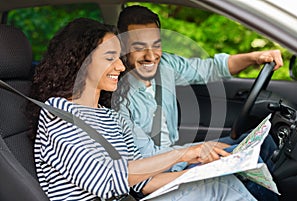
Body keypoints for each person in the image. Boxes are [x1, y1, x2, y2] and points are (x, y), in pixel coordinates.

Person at [30, 18, 256, 201]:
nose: (120, 66)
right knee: (216, 191)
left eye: (119, 58)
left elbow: (142, 182)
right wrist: (184, 153)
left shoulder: (111, 117)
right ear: (81, 62)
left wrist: (197, 173)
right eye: (110, 58)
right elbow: (106, 181)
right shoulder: (58, 115)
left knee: (218, 184)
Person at [114, 5, 281, 201]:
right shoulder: (118, 97)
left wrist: (255, 57)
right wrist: (195, 153)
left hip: (180, 157)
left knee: (264, 144)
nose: (151, 56)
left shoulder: (166, 65)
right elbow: (146, 160)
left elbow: (212, 68)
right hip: (158, 175)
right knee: (245, 164)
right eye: (139, 47)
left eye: (156, 45)